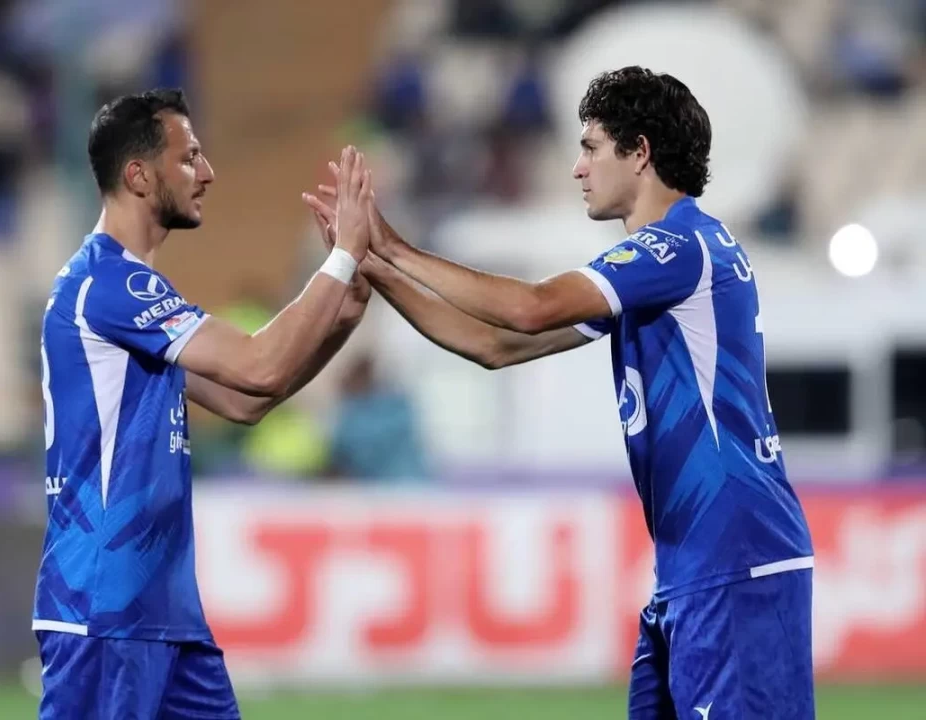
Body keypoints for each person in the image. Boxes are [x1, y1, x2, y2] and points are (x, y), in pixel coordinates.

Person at [305, 66, 815, 719]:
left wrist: (393, 245)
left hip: (735, 558)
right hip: (698, 565)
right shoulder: (660, 268)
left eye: (592, 147)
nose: (578, 168)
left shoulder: (677, 248)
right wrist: (369, 263)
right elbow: (494, 345)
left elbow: (529, 308)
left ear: (639, 152)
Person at [33, 88, 373, 719]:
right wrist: (342, 258)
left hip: (165, 615)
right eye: (189, 157)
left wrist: (344, 313)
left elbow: (248, 399)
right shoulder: (108, 284)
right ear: (139, 176)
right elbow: (258, 363)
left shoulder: (130, 290)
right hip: (104, 609)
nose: (208, 172)